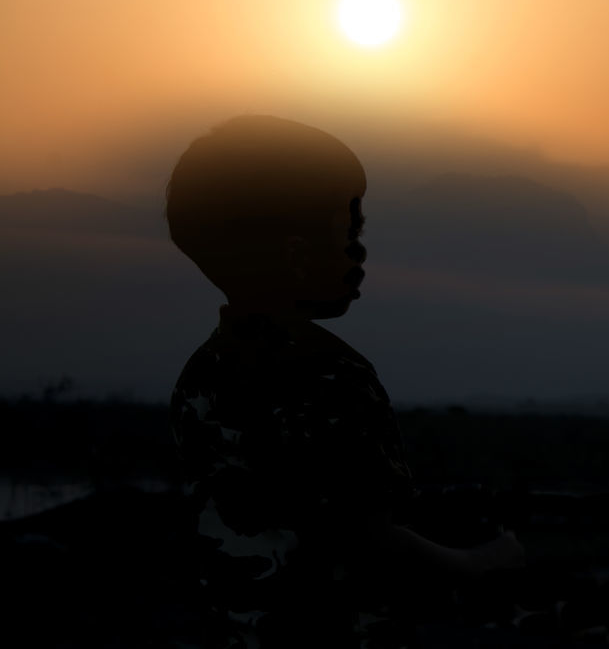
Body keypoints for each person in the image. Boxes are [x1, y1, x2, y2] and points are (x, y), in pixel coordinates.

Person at [167, 115, 523, 649]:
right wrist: (482, 563)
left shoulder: (202, 373)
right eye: (349, 231)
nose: (360, 252)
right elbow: (371, 541)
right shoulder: (332, 377)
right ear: (294, 253)